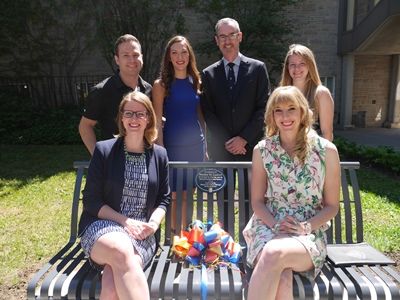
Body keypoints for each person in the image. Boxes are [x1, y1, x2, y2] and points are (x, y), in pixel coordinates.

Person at [243, 86, 340, 300]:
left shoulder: (326, 151)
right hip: (268, 224)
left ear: (302, 112)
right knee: (282, 276)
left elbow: (332, 206)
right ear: (272, 116)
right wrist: (276, 226)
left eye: (291, 109)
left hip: (308, 229)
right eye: (278, 110)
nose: (285, 116)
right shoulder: (262, 150)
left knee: (273, 253)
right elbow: (258, 202)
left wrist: (305, 227)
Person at [78, 91, 170, 300]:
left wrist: (153, 225)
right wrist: (125, 221)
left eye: (140, 114)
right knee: (121, 250)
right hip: (103, 227)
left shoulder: (159, 155)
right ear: (121, 118)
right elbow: (91, 200)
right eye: (128, 113)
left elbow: (164, 199)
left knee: (111, 287)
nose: (134, 119)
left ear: (149, 118)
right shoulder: (104, 150)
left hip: (142, 234)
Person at [152, 35, 206, 231]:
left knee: (188, 195)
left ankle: (187, 235)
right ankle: (174, 239)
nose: (179, 57)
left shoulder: (195, 81)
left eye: (183, 52)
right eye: (174, 52)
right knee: (174, 196)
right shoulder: (161, 85)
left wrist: (206, 146)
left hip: (195, 148)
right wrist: (161, 149)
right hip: (172, 148)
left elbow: (200, 117)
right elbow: (157, 119)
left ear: (189, 55)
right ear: (168, 57)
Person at [201, 17, 270, 161]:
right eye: (222, 36)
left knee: (252, 185)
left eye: (232, 35)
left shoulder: (257, 69)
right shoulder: (208, 74)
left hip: (252, 147)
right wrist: (228, 142)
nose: (227, 41)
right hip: (221, 149)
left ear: (240, 36)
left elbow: (264, 107)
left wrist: (244, 138)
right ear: (217, 40)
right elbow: (208, 112)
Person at [79, 34, 152, 155]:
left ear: (142, 58)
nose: (132, 60)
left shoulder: (148, 89)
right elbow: (85, 126)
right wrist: (98, 156)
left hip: (143, 159)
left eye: (135, 55)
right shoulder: (102, 91)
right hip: (114, 161)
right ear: (117, 60)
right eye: (126, 55)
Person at [280, 44, 334, 141]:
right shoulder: (281, 94)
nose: (297, 69)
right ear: (287, 68)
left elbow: (327, 134)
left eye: (302, 64)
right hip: (283, 153)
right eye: (292, 64)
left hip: (311, 153)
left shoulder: (321, 94)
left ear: (310, 66)